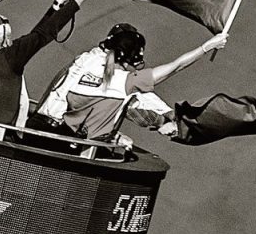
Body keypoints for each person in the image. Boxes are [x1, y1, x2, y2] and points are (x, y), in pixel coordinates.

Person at [34, 24, 228, 144]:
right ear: (128, 60)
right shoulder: (122, 82)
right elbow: (175, 66)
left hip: (37, 128)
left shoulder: (86, 60)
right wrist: (206, 47)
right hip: (60, 143)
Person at [0, 0, 90, 139]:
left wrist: (54, 9)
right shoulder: (7, 57)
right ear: (5, 38)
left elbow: (34, 37)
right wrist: (78, 1)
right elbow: (42, 35)